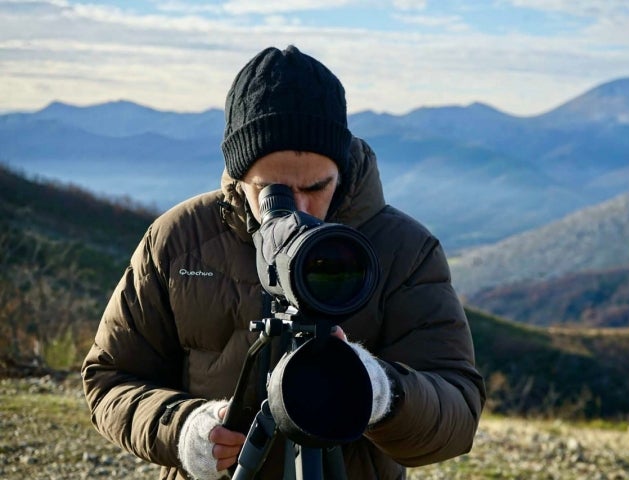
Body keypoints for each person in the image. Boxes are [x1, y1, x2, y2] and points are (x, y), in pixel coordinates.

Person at [82, 45, 485, 480]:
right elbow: (110, 378)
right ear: (238, 175)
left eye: (317, 186)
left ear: (343, 169)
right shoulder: (179, 240)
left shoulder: (404, 249)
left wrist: (381, 391)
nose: (300, 209)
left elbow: (458, 408)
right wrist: (184, 429)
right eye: (273, 192)